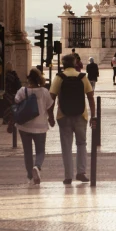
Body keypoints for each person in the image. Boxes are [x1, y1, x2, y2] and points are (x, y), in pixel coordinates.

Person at [50, 53, 96, 185]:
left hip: (63, 116)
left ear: (63, 64)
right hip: (81, 115)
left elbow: (51, 98)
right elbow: (91, 97)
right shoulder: (82, 77)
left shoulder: (59, 78)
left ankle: (68, 176)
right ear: (75, 63)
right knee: (81, 144)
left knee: (66, 146)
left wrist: (51, 116)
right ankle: (81, 172)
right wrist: (93, 116)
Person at [14, 68, 54, 186]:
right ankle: (37, 166)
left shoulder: (22, 90)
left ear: (28, 79)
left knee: (27, 151)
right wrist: (51, 119)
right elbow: (49, 107)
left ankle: (30, 176)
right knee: (40, 150)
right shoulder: (44, 91)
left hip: (24, 125)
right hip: (40, 125)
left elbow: (15, 103)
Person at [3, 61, 22, 125]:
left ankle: (6, 119)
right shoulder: (14, 74)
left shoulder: (6, 75)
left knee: (7, 107)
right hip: (13, 93)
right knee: (12, 107)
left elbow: (6, 85)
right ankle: (12, 119)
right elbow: (19, 85)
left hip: (8, 93)